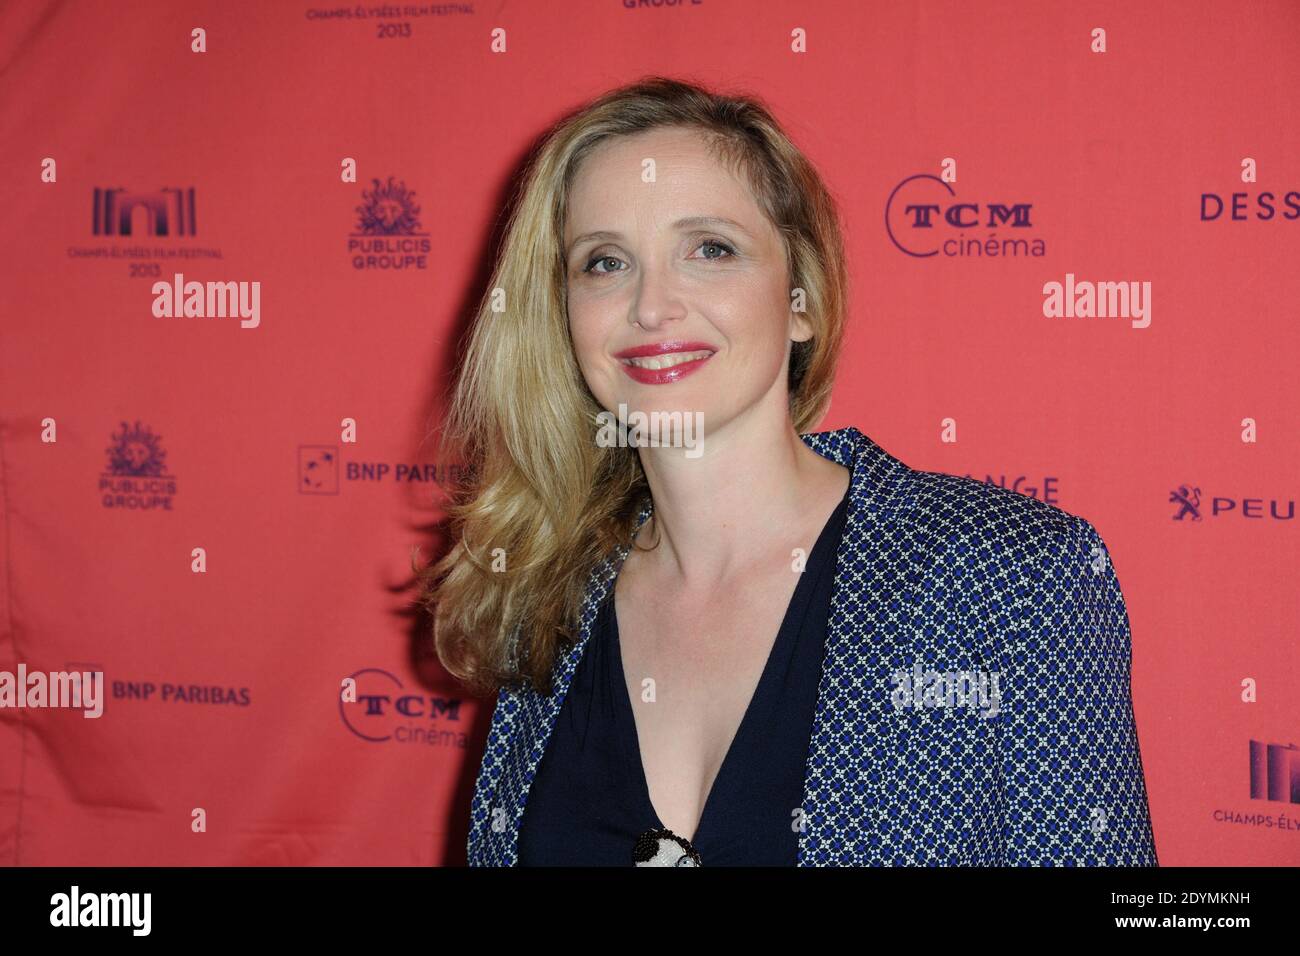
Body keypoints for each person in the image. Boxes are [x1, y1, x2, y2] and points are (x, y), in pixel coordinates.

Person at [417, 75, 1158, 866]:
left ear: (801, 298)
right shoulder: (546, 596)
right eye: (603, 263)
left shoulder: (1011, 576)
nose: (652, 306)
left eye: (710, 250)